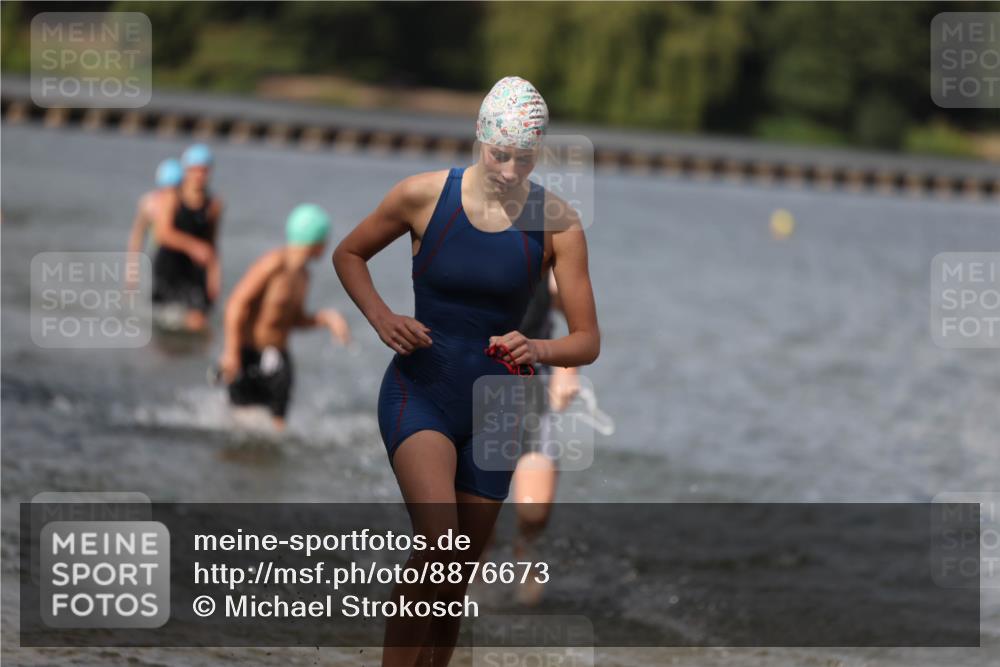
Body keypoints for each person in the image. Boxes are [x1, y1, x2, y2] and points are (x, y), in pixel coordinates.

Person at [333, 76, 599, 667]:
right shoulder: (422, 196)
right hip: (422, 388)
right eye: (499, 153)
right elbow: (347, 253)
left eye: (523, 158)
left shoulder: (558, 222)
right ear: (480, 136)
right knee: (437, 547)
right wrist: (380, 317)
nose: (509, 169)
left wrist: (538, 348)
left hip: (501, 409)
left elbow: (587, 340)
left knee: (454, 582)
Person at [218, 204, 351, 431]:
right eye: (325, 239)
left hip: (279, 359)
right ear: (316, 240)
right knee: (236, 424)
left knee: (277, 429)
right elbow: (236, 304)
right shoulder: (273, 264)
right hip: (248, 354)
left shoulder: (303, 276)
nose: (327, 244)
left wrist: (327, 319)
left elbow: (294, 320)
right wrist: (231, 351)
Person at [151, 144, 223, 333]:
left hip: (194, 270)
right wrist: (192, 247)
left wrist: (214, 275)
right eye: (194, 170)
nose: (199, 175)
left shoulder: (214, 205)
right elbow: (162, 234)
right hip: (169, 267)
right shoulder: (171, 198)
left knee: (200, 322)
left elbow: (212, 244)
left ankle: (198, 360)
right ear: (186, 171)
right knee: (169, 321)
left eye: (204, 170)